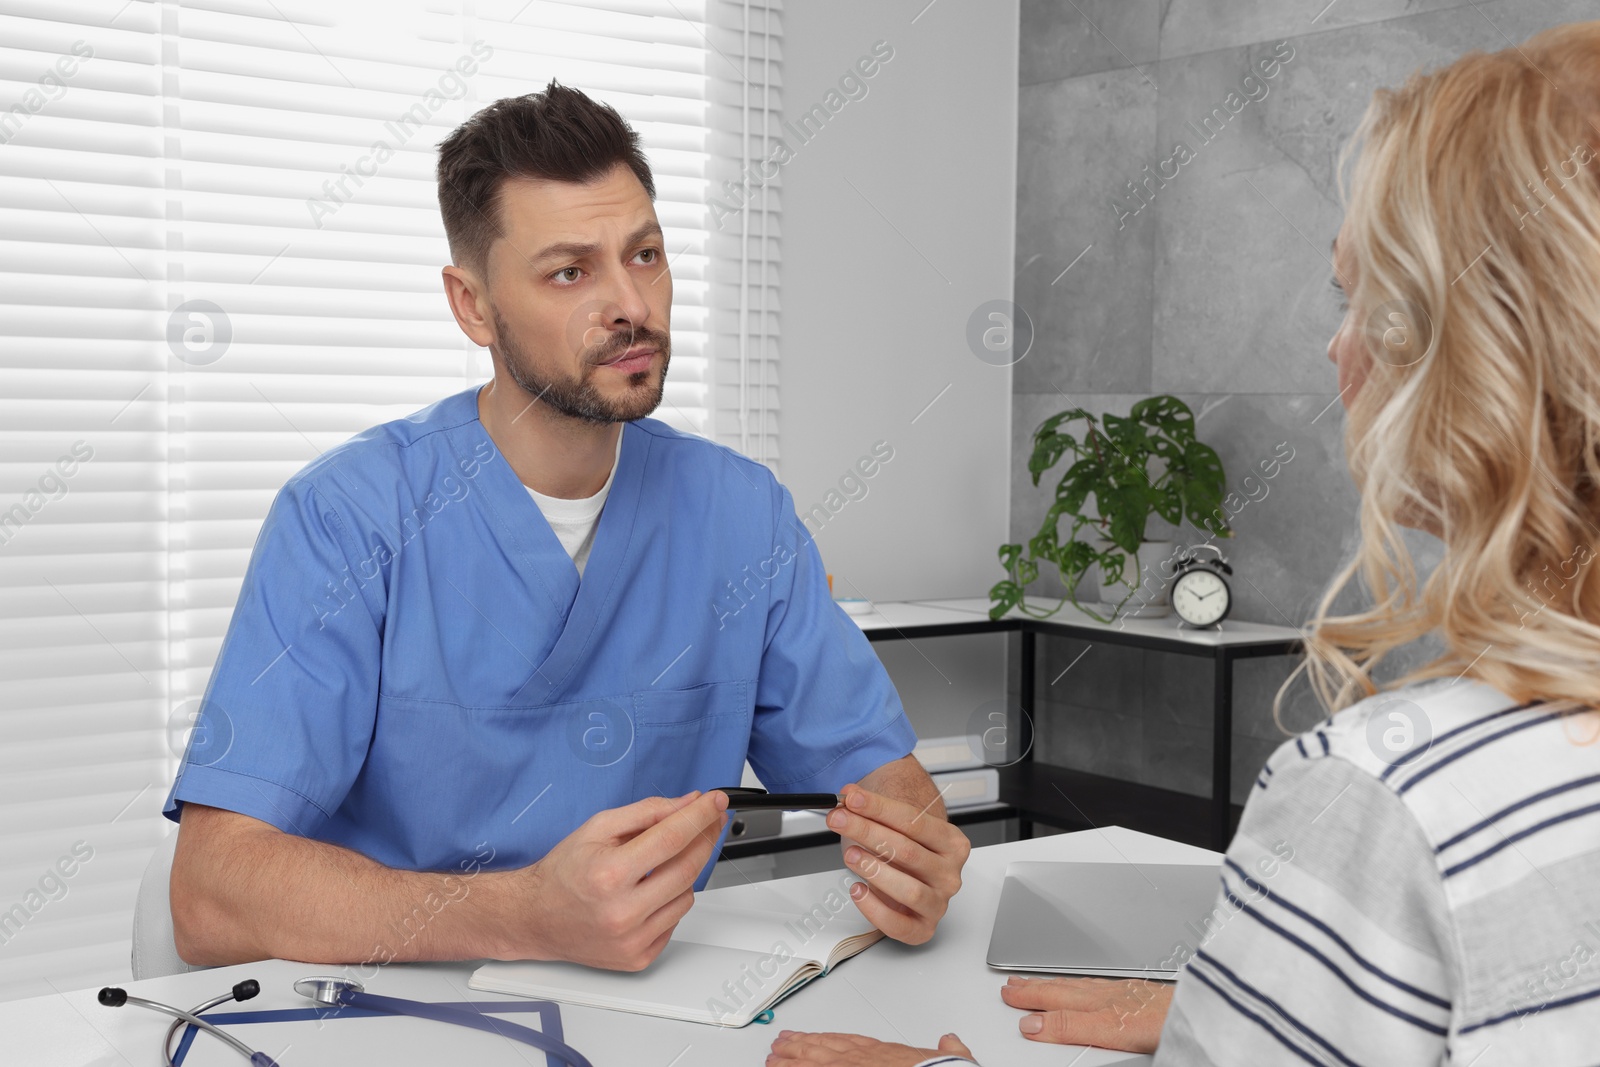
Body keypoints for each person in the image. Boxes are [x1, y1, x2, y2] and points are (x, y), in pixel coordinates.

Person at [768, 18, 1600, 1067]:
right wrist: (1280, 1005)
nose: (1332, 346)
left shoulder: (1380, 799)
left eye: (1360, 301)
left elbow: (888, 786)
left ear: (1486, 359)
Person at [162, 81, 970, 972]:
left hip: (651, 1018)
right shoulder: (346, 519)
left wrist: (917, 856)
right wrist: (523, 915)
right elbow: (211, 893)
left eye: (647, 254)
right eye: (570, 271)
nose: (631, 303)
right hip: (390, 1018)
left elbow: (880, 778)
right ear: (472, 305)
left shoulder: (743, 517)